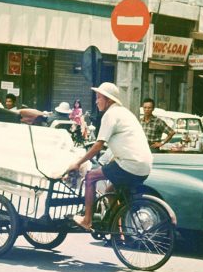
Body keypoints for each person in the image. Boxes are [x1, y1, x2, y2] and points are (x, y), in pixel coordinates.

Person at [64, 82, 153, 231]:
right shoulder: (125, 113)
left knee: (91, 177)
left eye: (99, 97)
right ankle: (116, 231)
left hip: (130, 165)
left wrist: (78, 163)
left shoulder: (110, 114)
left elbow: (98, 145)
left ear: (109, 100)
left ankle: (87, 220)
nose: (96, 101)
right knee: (110, 191)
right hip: (144, 166)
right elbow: (126, 145)